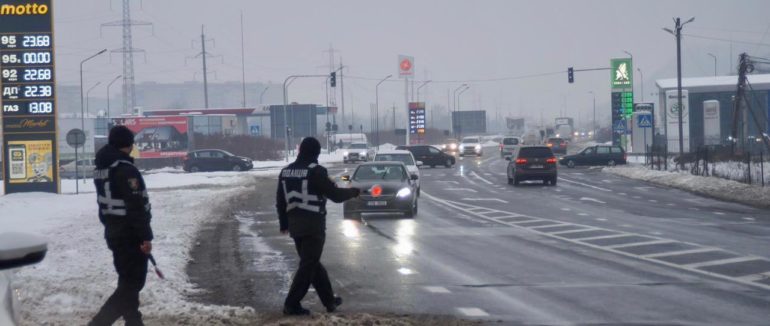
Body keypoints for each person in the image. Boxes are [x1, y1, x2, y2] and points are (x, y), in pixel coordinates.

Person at [277, 137, 360, 315]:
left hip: (295, 226)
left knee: (312, 263)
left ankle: (329, 301)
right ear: (316, 153)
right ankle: (291, 304)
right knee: (308, 265)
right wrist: (354, 192)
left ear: (300, 151)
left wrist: (284, 223)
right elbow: (335, 195)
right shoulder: (317, 171)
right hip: (313, 226)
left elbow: (280, 200)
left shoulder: (285, 171)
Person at [89, 126, 153, 326]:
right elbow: (135, 206)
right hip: (129, 234)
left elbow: (104, 204)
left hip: (113, 231)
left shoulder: (102, 168)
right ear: (129, 144)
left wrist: (110, 225)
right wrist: (145, 237)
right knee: (133, 283)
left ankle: (134, 322)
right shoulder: (126, 169)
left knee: (127, 280)